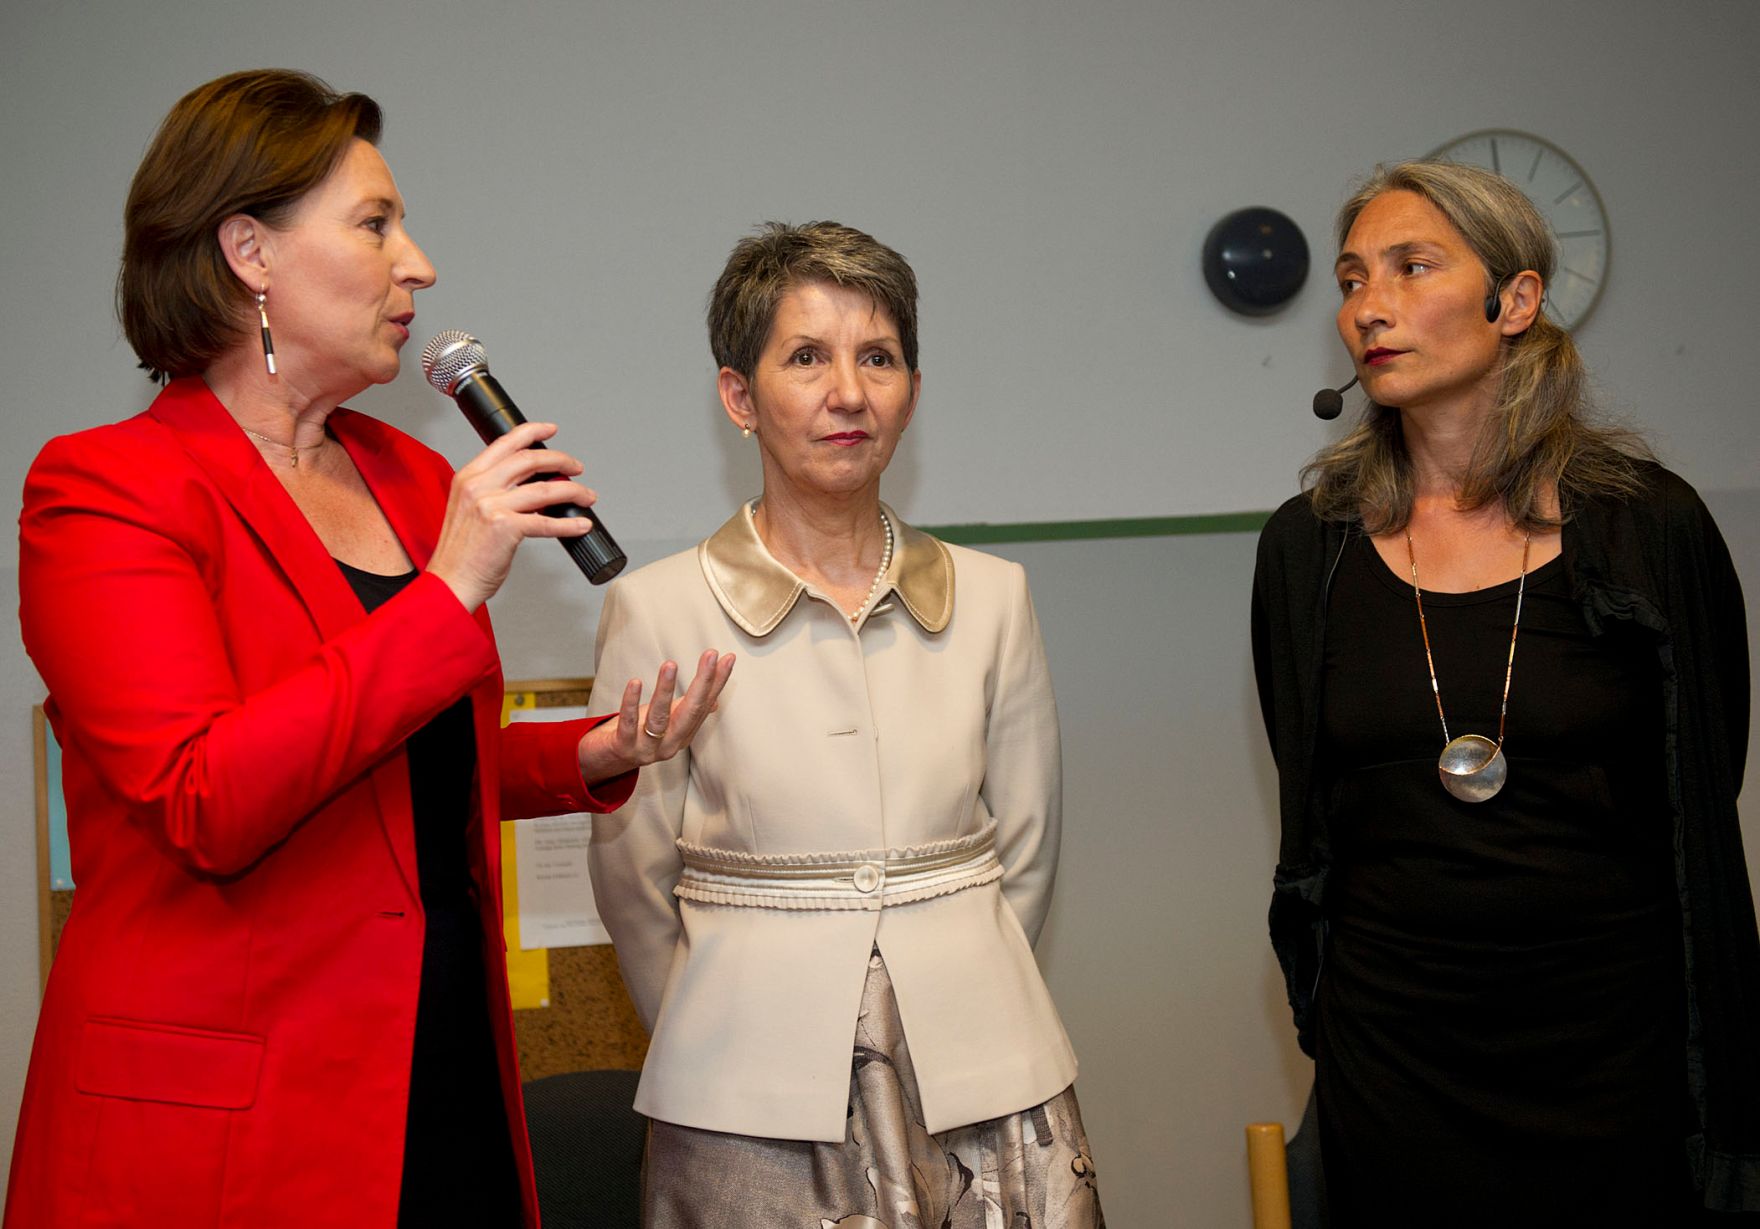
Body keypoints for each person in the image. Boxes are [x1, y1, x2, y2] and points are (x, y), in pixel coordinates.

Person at [5, 69, 733, 1229]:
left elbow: (395, 770)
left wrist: (584, 754)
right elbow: (207, 796)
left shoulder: (406, 474)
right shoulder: (106, 489)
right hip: (228, 1123)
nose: (421, 265)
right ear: (248, 249)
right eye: (376, 224)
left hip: (438, 1068)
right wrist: (449, 586)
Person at [1252, 160, 1758, 1224]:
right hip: (1392, 1054)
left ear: (1514, 301)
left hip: (1614, 1050)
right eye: (1350, 280)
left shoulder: (1646, 526)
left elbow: (1700, 791)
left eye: (1409, 266)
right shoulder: (1308, 550)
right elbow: (1315, 815)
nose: (1366, 307)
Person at [587, 221, 1103, 1227]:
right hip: (742, 1083)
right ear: (738, 396)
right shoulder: (657, 610)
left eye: (878, 357)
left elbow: (1028, 855)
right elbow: (632, 878)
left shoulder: (994, 596)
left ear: (910, 384)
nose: (848, 393)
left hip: (982, 1070)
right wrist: (709, 1033)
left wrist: (960, 991)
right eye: (805, 358)